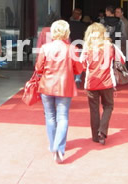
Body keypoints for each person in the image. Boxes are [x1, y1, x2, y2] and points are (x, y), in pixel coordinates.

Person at [35, 20, 83, 164]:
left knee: (50, 116)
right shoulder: (72, 49)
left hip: (47, 86)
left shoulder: (45, 47)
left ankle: (52, 145)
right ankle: (59, 147)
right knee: (62, 117)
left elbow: (38, 68)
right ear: (67, 32)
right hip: (64, 86)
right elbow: (79, 69)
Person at [81, 23, 124, 145]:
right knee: (108, 106)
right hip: (107, 82)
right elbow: (122, 60)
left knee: (94, 110)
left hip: (91, 83)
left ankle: (95, 136)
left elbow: (82, 65)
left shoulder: (87, 48)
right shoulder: (110, 46)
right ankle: (102, 131)